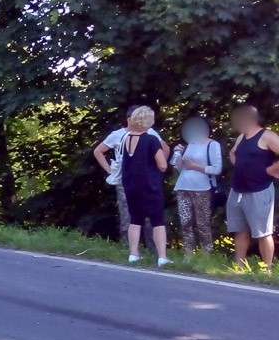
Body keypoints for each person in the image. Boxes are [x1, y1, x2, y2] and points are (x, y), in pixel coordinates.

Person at [94, 105, 164, 248]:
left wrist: (155, 169)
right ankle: (129, 247)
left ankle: (150, 249)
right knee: (128, 215)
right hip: (126, 180)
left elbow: (164, 149)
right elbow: (98, 151)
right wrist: (109, 170)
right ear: (128, 119)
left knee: (147, 218)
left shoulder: (151, 134)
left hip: (144, 180)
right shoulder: (119, 135)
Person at [227, 104, 279, 271]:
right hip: (238, 190)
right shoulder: (241, 137)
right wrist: (242, 167)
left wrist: (270, 170)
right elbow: (232, 153)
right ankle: (239, 267)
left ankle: (267, 269)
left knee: (263, 233)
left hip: (260, 190)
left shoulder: (267, 136)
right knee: (240, 231)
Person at [121, 106, 171, 267]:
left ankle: (133, 254)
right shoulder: (151, 140)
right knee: (157, 220)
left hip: (130, 184)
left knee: (135, 219)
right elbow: (162, 165)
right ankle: (162, 257)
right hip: (149, 185)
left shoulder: (126, 138)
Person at [171, 117, 223, 257]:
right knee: (185, 222)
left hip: (202, 188)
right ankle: (188, 255)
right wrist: (177, 154)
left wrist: (195, 166)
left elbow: (217, 169)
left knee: (202, 223)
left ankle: (206, 255)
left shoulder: (212, 145)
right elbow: (179, 168)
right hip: (183, 187)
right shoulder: (190, 144)